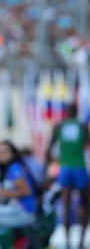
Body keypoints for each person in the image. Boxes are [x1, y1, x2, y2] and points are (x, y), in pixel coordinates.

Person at [45, 103, 90, 249]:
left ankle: (69, 241)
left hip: (65, 168)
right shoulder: (82, 126)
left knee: (66, 204)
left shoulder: (59, 126)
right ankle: (81, 240)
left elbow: (49, 148)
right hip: (79, 167)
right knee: (84, 203)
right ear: (77, 112)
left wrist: (46, 170)